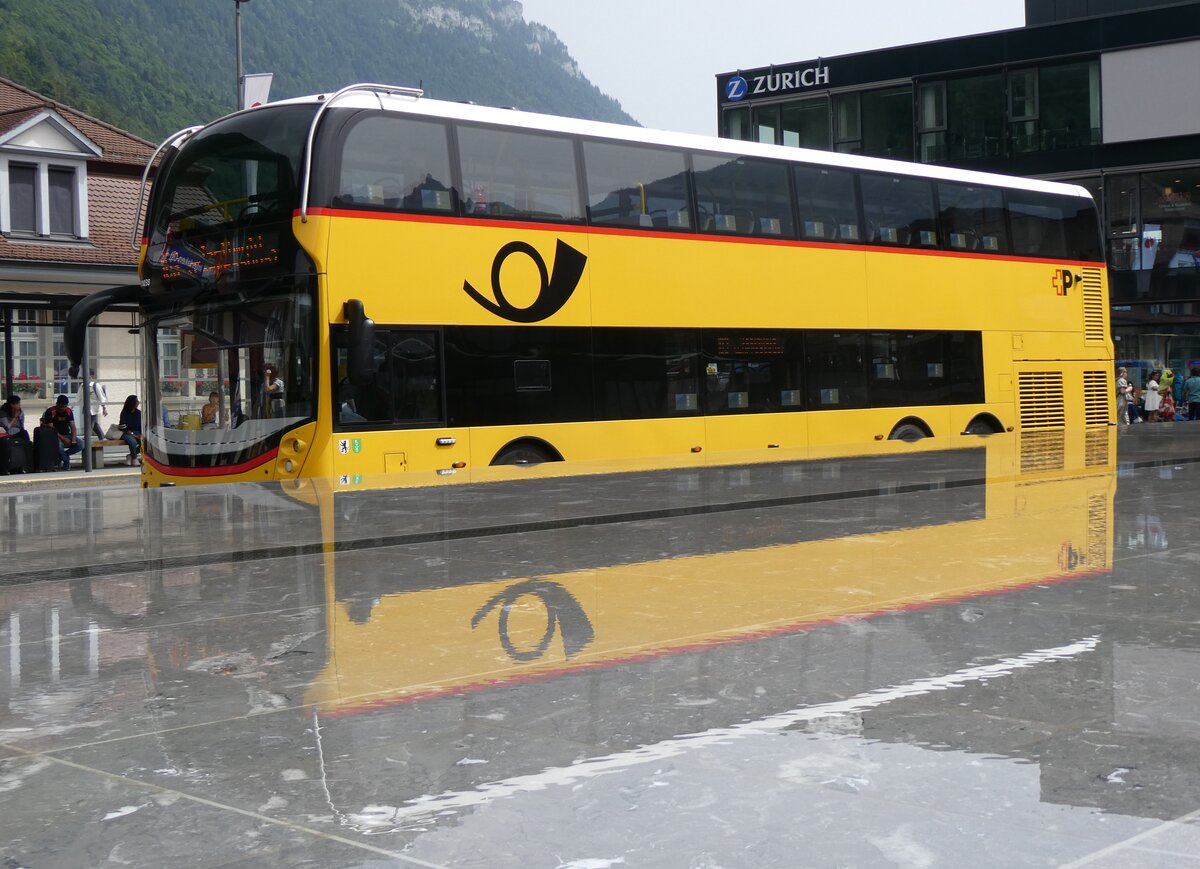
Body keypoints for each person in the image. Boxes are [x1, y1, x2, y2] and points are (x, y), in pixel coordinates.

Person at [41, 394, 82, 471]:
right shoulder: (50, 411)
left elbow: (73, 426)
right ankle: (66, 461)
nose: (63, 408)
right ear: (57, 404)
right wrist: (64, 439)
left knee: (81, 444)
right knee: (59, 446)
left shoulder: (68, 411)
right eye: (61, 406)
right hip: (54, 436)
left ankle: (62, 456)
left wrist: (73, 439)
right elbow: (52, 429)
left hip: (66, 434)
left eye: (65, 406)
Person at [75, 368, 108, 439]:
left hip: (94, 409)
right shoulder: (82, 386)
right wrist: (73, 406)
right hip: (86, 408)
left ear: (92, 376)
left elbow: (102, 398)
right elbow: (78, 397)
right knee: (95, 424)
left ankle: (86, 438)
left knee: (90, 424)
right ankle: (102, 437)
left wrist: (104, 408)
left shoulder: (96, 386)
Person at [117, 394, 142, 465]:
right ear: (132, 402)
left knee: (145, 442)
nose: (138, 402)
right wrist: (133, 435)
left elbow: (141, 425)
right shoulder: (124, 413)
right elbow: (122, 426)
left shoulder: (138, 413)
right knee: (133, 442)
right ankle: (134, 458)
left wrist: (141, 434)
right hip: (126, 433)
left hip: (137, 432)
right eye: (136, 401)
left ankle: (130, 455)